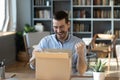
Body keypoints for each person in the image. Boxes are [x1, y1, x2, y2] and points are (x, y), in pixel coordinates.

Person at [29, 11, 87, 75]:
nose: (59, 30)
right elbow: (33, 66)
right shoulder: (45, 42)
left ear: (68, 24)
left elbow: (81, 71)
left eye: (62, 27)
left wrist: (81, 55)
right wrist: (34, 56)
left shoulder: (79, 43)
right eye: (55, 27)